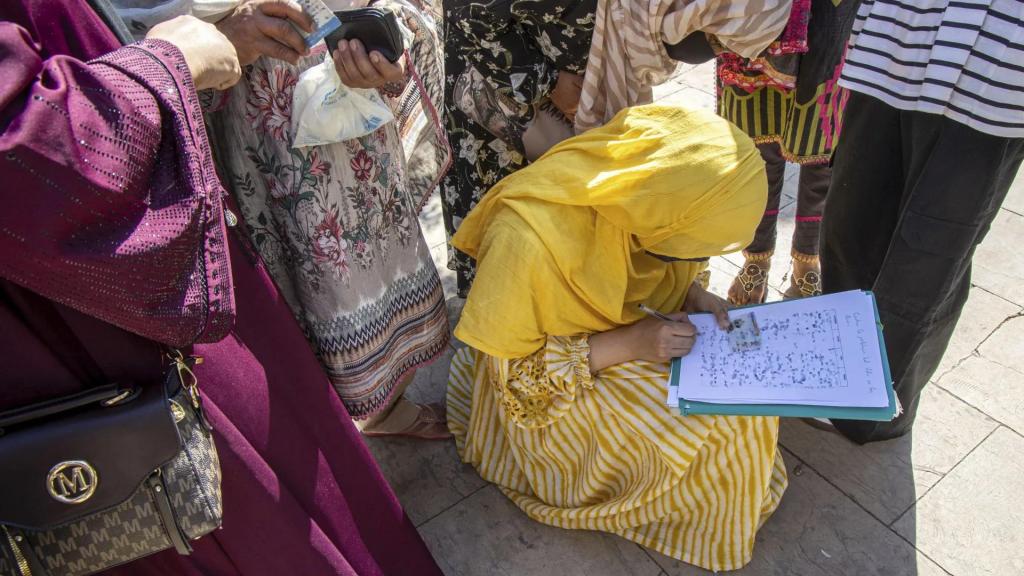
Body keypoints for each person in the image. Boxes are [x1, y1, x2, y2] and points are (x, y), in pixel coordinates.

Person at [0, 1, 444, 574]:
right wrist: (171, 63)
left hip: (155, 205)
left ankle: (375, 406)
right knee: (208, 487)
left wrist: (387, 29)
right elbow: (28, 143)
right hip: (102, 278)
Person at [446, 104, 788, 571]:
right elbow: (518, 387)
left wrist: (694, 294)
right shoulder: (526, 240)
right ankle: (696, 518)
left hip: (622, 344)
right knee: (718, 424)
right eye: (698, 249)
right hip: (550, 400)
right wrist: (631, 344)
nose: (700, 258)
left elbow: (652, 263)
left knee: (749, 405)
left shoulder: (647, 198)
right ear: (663, 214)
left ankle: (719, 498)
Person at [115, 0, 454, 439]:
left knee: (374, 270)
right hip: (245, 125)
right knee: (286, 303)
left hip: (353, 115)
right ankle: (317, 442)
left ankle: (385, 409)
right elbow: (122, 24)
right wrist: (213, 36)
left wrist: (391, 39)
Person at [820, 0, 1024, 443]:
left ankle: (876, 412)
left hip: (995, 69)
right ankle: (833, 383)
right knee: (848, 229)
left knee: (927, 256)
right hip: (893, 40)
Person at [440, 0, 598, 297]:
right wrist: (547, 80)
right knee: (514, 238)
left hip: (577, 99)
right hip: (503, 90)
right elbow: (468, 12)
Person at [716, 0, 856, 304]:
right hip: (758, 17)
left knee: (822, 144)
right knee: (755, 147)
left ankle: (807, 258)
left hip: (836, 14)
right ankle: (757, 255)